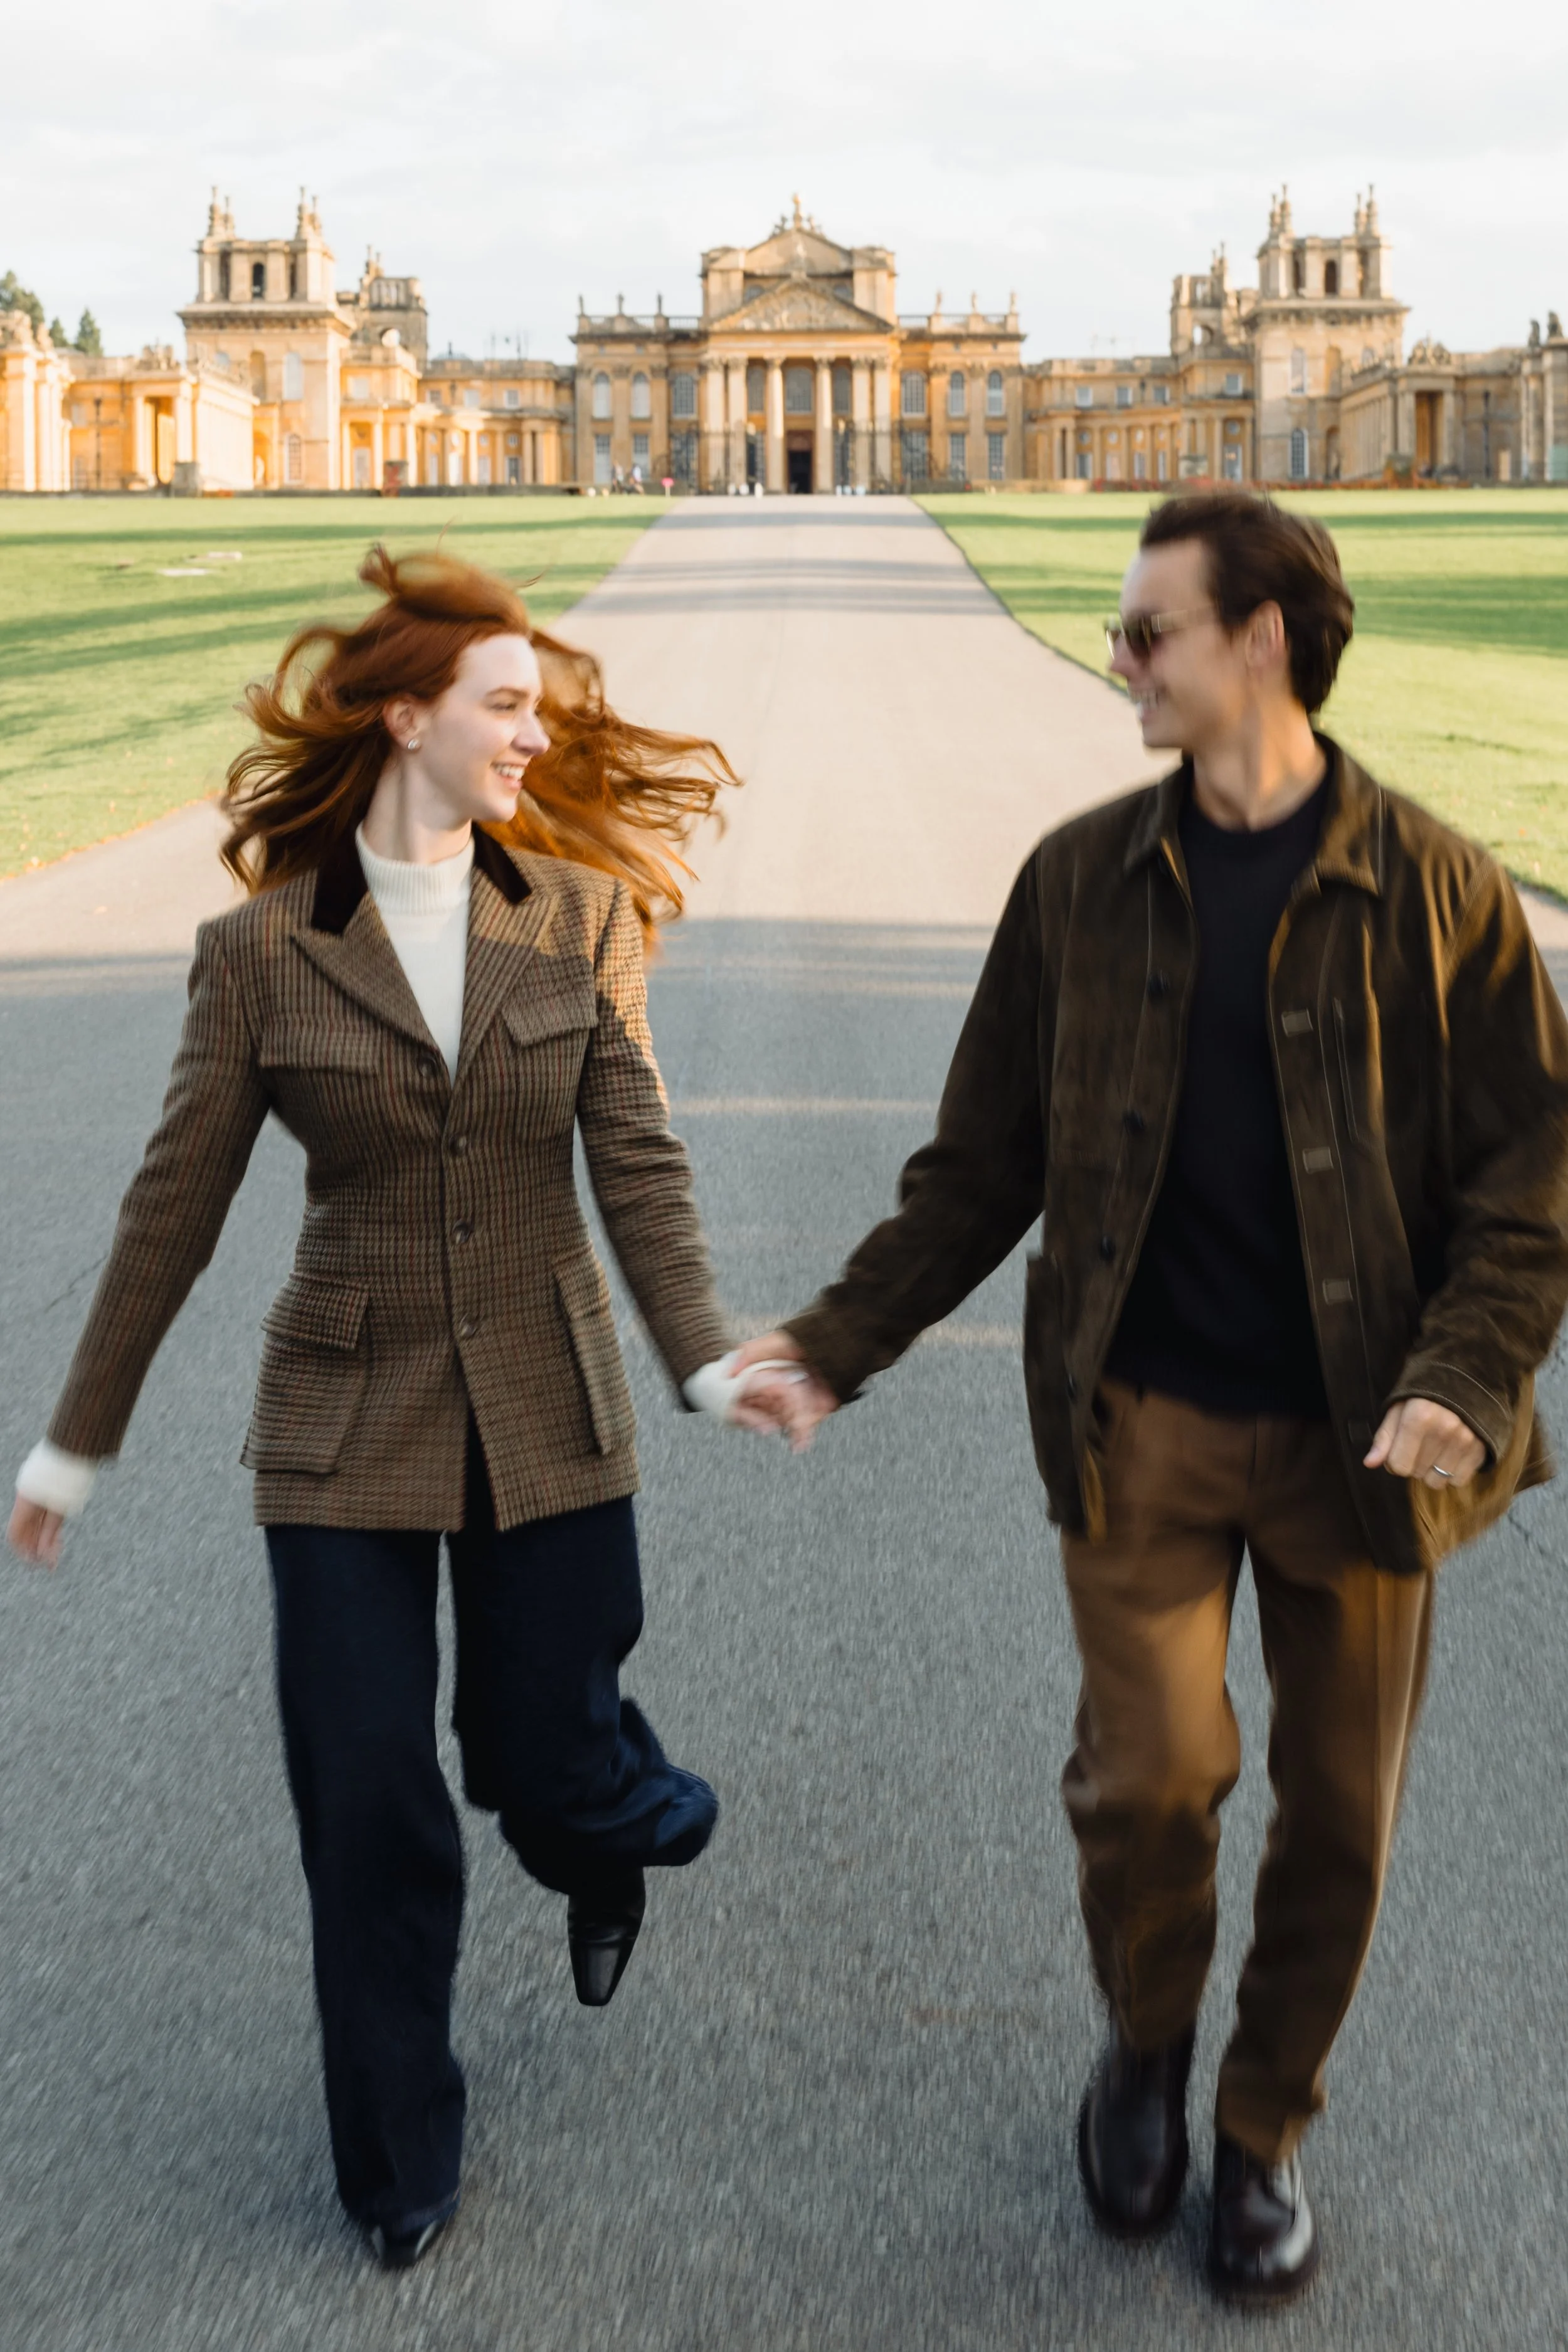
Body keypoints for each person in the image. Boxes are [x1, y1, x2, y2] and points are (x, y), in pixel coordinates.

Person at [733, 490, 1568, 2304]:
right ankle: (1144, 2043)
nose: (1118, 658)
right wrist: (833, 1338)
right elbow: (979, 1164)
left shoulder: (1437, 886)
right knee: (1153, 1780)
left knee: (1340, 1813)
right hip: (1145, 1424)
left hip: (1363, 1439)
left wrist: (1464, 1370)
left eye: (1143, 632)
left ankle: (1261, 2128)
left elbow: (1531, 1178)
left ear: (1258, 638)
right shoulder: (1077, 879)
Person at [7, 547, 788, 2270]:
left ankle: (614, 1832)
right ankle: (396, 2156)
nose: (533, 735)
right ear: (406, 713)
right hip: (341, 1418)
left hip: (551, 1393)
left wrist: (707, 1349)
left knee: (538, 1761)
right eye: (506, 705)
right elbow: (172, 1207)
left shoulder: (579, 914)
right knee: (365, 1797)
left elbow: (636, 1159)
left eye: (538, 710)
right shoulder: (261, 956)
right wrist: (77, 1437)